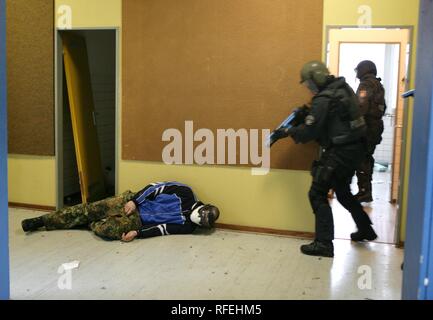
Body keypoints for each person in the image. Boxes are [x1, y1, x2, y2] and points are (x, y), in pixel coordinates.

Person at [272, 61, 377, 257]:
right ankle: (366, 229)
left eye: (309, 83)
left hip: (340, 151)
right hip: (355, 150)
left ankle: (324, 244)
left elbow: (309, 132)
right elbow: (332, 118)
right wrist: (308, 114)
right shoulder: (341, 88)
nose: (308, 87)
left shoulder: (325, 98)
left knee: (317, 193)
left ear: (317, 78)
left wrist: (287, 131)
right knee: (343, 193)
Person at [21, 181, 220, 242]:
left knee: (107, 231)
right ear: (204, 206)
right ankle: (41, 221)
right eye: (202, 214)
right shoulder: (186, 193)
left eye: (203, 222)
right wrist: (134, 201)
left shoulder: (188, 227)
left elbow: (163, 229)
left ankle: (88, 221)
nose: (199, 219)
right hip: (134, 203)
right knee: (89, 209)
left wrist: (138, 233)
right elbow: (154, 188)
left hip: (140, 222)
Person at [353, 60, 386, 202]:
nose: (357, 73)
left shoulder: (366, 84)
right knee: (366, 158)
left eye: (358, 70)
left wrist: (352, 125)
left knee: (361, 159)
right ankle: (366, 191)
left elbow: (361, 106)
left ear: (364, 70)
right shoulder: (378, 84)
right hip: (375, 127)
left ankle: (364, 191)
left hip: (366, 128)